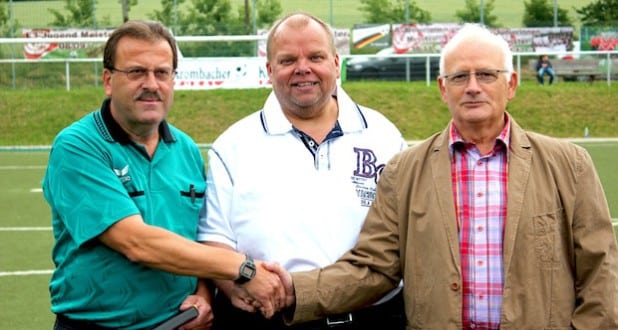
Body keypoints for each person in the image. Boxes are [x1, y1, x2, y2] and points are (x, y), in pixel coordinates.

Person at [276, 23, 618, 329]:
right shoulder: (403, 171)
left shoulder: (570, 165)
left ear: (511, 84)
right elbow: (373, 268)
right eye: (459, 77)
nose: (472, 87)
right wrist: (295, 291)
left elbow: (600, 271)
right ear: (443, 88)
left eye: (486, 74)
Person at [42, 20, 285, 330]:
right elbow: (136, 242)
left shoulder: (185, 149)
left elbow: (199, 237)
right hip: (97, 325)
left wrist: (204, 293)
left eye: (162, 73)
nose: (151, 84)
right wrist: (243, 268)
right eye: (136, 72)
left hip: (182, 324)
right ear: (107, 80)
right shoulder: (78, 146)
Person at [198, 12, 407, 330]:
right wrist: (237, 288)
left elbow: (403, 237)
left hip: (374, 317)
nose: (303, 68)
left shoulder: (383, 135)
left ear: (336, 63)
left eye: (315, 56)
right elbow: (215, 240)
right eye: (287, 60)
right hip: (268, 318)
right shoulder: (233, 145)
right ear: (269, 69)